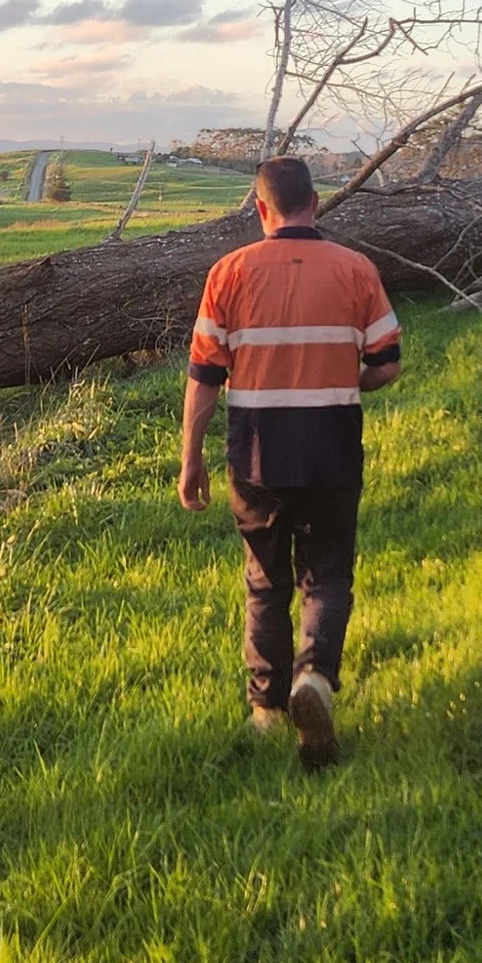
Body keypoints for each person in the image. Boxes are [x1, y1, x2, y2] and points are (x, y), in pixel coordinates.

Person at [178, 154, 403, 768]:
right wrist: (343, 378)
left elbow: (204, 379)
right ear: (317, 203)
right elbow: (387, 362)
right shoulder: (356, 270)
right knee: (327, 573)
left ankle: (266, 710)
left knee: (264, 579)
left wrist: (189, 459)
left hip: (256, 452)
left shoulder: (228, 272)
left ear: (260, 208)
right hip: (332, 443)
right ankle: (316, 680)